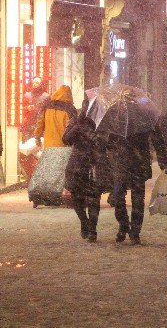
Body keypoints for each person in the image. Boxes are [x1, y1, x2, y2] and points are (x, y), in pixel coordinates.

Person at [107, 110, 167, 245]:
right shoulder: (117, 116)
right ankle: (124, 225)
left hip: (136, 164)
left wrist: (163, 161)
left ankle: (134, 232)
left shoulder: (146, 116)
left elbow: (157, 139)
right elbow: (109, 140)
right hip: (124, 163)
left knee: (137, 199)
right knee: (119, 197)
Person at [62, 99, 104, 242]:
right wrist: (77, 127)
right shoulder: (76, 121)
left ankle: (92, 230)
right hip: (77, 165)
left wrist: (96, 137)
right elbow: (66, 139)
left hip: (94, 165)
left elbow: (106, 144)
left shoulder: (102, 121)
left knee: (93, 199)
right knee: (76, 198)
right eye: (86, 106)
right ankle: (84, 222)